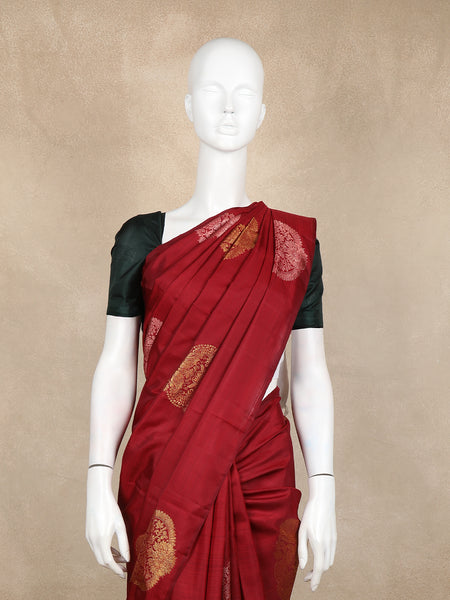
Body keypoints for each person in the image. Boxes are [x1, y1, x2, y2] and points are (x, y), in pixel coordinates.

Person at [86, 37, 336, 599]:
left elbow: (308, 372)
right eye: (212, 91)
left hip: (261, 467)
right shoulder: (143, 240)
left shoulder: (290, 245)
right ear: (189, 105)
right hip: (167, 462)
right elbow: (117, 363)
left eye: (243, 93)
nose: (227, 107)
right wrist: (97, 476)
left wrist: (324, 485)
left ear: (262, 112)